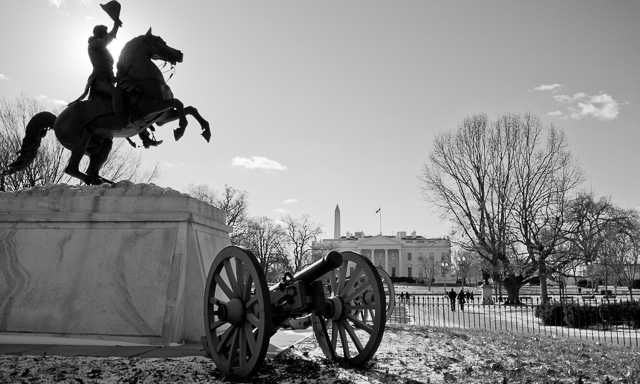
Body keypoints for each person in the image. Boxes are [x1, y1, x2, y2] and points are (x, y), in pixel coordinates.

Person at [73, 17, 161, 148]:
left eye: (106, 31)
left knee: (130, 96)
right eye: (104, 31)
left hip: (109, 79)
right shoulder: (94, 44)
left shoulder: (102, 47)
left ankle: (145, 137)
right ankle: (122, 121)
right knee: (117, 92)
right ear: (99, 33)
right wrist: (115, 27)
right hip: (99, 81)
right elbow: (106, 41)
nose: (106, 32)